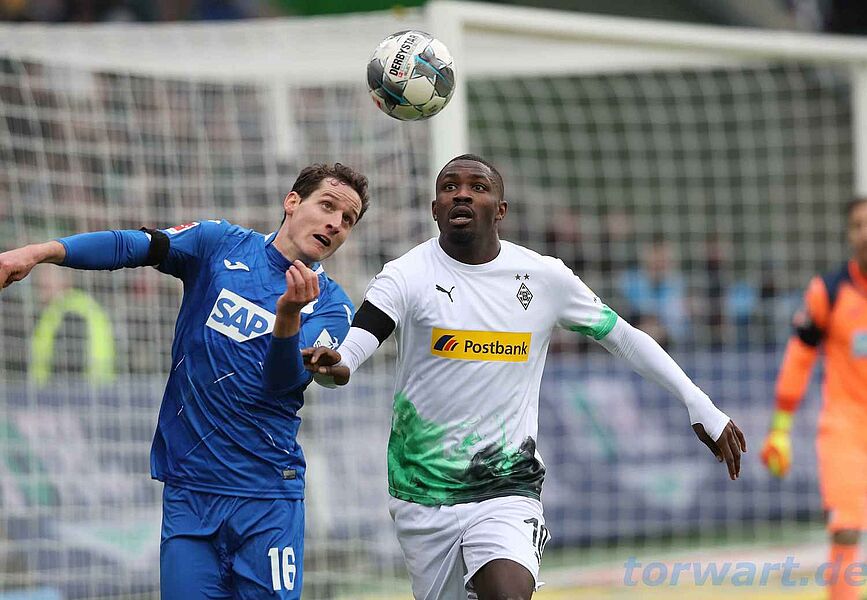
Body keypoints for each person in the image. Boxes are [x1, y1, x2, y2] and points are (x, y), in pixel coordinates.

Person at [295, 154, 746, 600]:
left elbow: (625, 338)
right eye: (450, 187)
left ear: (501, 210)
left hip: (507, 485)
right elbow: (353, 350)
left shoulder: (544, 277)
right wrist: (335, 365)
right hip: (422, 493)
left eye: (478, 187)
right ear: (435, 209)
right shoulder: (404, 275)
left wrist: (698, 401)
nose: (462, 194)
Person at [0, 162, 369, 598]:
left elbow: (279, 382)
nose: (335, 223)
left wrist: (288, 313)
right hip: (190, 491)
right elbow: (133, 245)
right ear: (292, 201)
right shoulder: (218, 244)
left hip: (266, 496)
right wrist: (37, 253)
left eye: (348, 219)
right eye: (327, 206)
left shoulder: (332, 306)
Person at [761, 197, 867, 600]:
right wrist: (780, 431)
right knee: (846, 529)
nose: (865, 232)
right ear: (848, 234)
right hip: (845, 428)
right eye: (857, 225)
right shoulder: (829, 291)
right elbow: (799, 359)